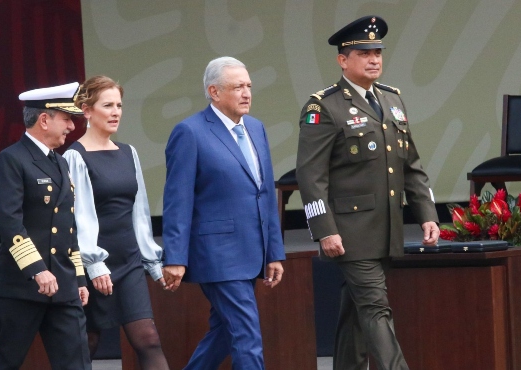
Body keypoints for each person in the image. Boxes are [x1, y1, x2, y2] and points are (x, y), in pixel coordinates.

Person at [295, 15, 440, 370]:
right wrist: (324, 229)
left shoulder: (392, 100)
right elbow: (310, 175)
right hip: (349, 233)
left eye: (377, 51)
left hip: (386, 228)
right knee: (376, 308)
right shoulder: (324, 106)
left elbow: (411, 164)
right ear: (343, 59)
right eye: (364, 52)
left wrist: (428, 216)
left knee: (356, 314)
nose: (374, 58)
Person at [162, 57, 286, 369]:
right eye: (237, 87)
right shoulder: (189, 132)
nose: (246, 93)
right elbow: (177, 199)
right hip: (217, 253)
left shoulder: (256, 128)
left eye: (248, 86)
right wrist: (175, 257)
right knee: (247, 335)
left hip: (251, 249)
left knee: (222, 333)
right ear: (214, 92)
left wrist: (274, 251)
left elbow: (266, 193)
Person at [63, 75, 169, 369]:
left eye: (119, 105)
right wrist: (93, 265)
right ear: (87, 111)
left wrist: (152, 262)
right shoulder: (75, 156)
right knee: (89, 341)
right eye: (107, 105)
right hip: (95, 263)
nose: (115, 112)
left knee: (148, 338)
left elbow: (139, 211)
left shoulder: (128, 152)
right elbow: (78, 217)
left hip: (129, 261)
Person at [0, 82, 91, 370]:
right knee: (6, 361)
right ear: (44, 119)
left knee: (77, 363)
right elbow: (10, 223)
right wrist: (37, 270)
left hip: (64, 284)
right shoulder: (11, 160)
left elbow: (67, 227)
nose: (71, 126)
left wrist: (79, 278)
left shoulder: (61, 162)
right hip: (22, 286)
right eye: (66, 118)